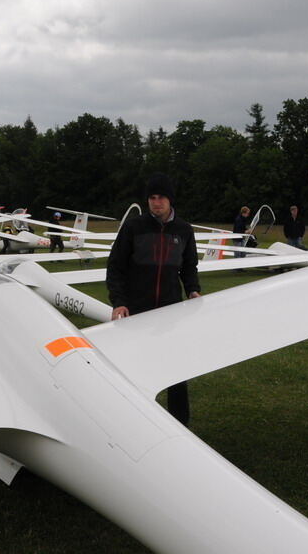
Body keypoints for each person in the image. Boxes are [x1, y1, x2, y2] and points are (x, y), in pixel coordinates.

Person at [106, 173, 200, 425]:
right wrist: (119, 301)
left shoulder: (184, 230)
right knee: (134, 370)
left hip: (171, 313)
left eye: (161, 198)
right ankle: (133, 421)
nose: (156, 202)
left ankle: (180, 424)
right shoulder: (134, 227)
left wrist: (193, 290)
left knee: (176, 371)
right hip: (137, 310)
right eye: (152, 197)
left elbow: (189, 266)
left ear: (170, 200)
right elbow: (115, 267)